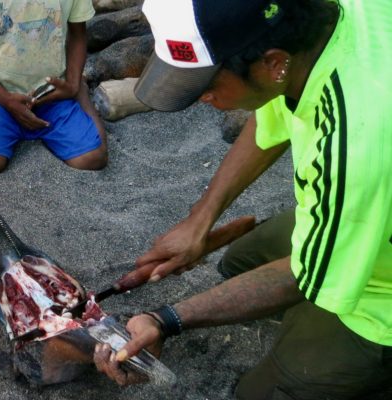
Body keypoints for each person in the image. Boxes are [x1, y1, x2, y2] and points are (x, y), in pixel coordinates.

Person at [93, 0, 392, 398]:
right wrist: (198, 222)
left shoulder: (355, 142)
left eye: (208, 84)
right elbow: (273, 114)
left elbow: (303, 277)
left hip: (382, 289)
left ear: (273, 64)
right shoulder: (310, 36)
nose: (202, 97)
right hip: (368, 198)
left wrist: (165, 319)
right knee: (238, 262)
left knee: (261, 392)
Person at [0, 0, 108, 172]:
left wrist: (73, 85)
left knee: (93, 159)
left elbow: (78, 34)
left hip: (51, 93)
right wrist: (5, 98)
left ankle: (81, 92)